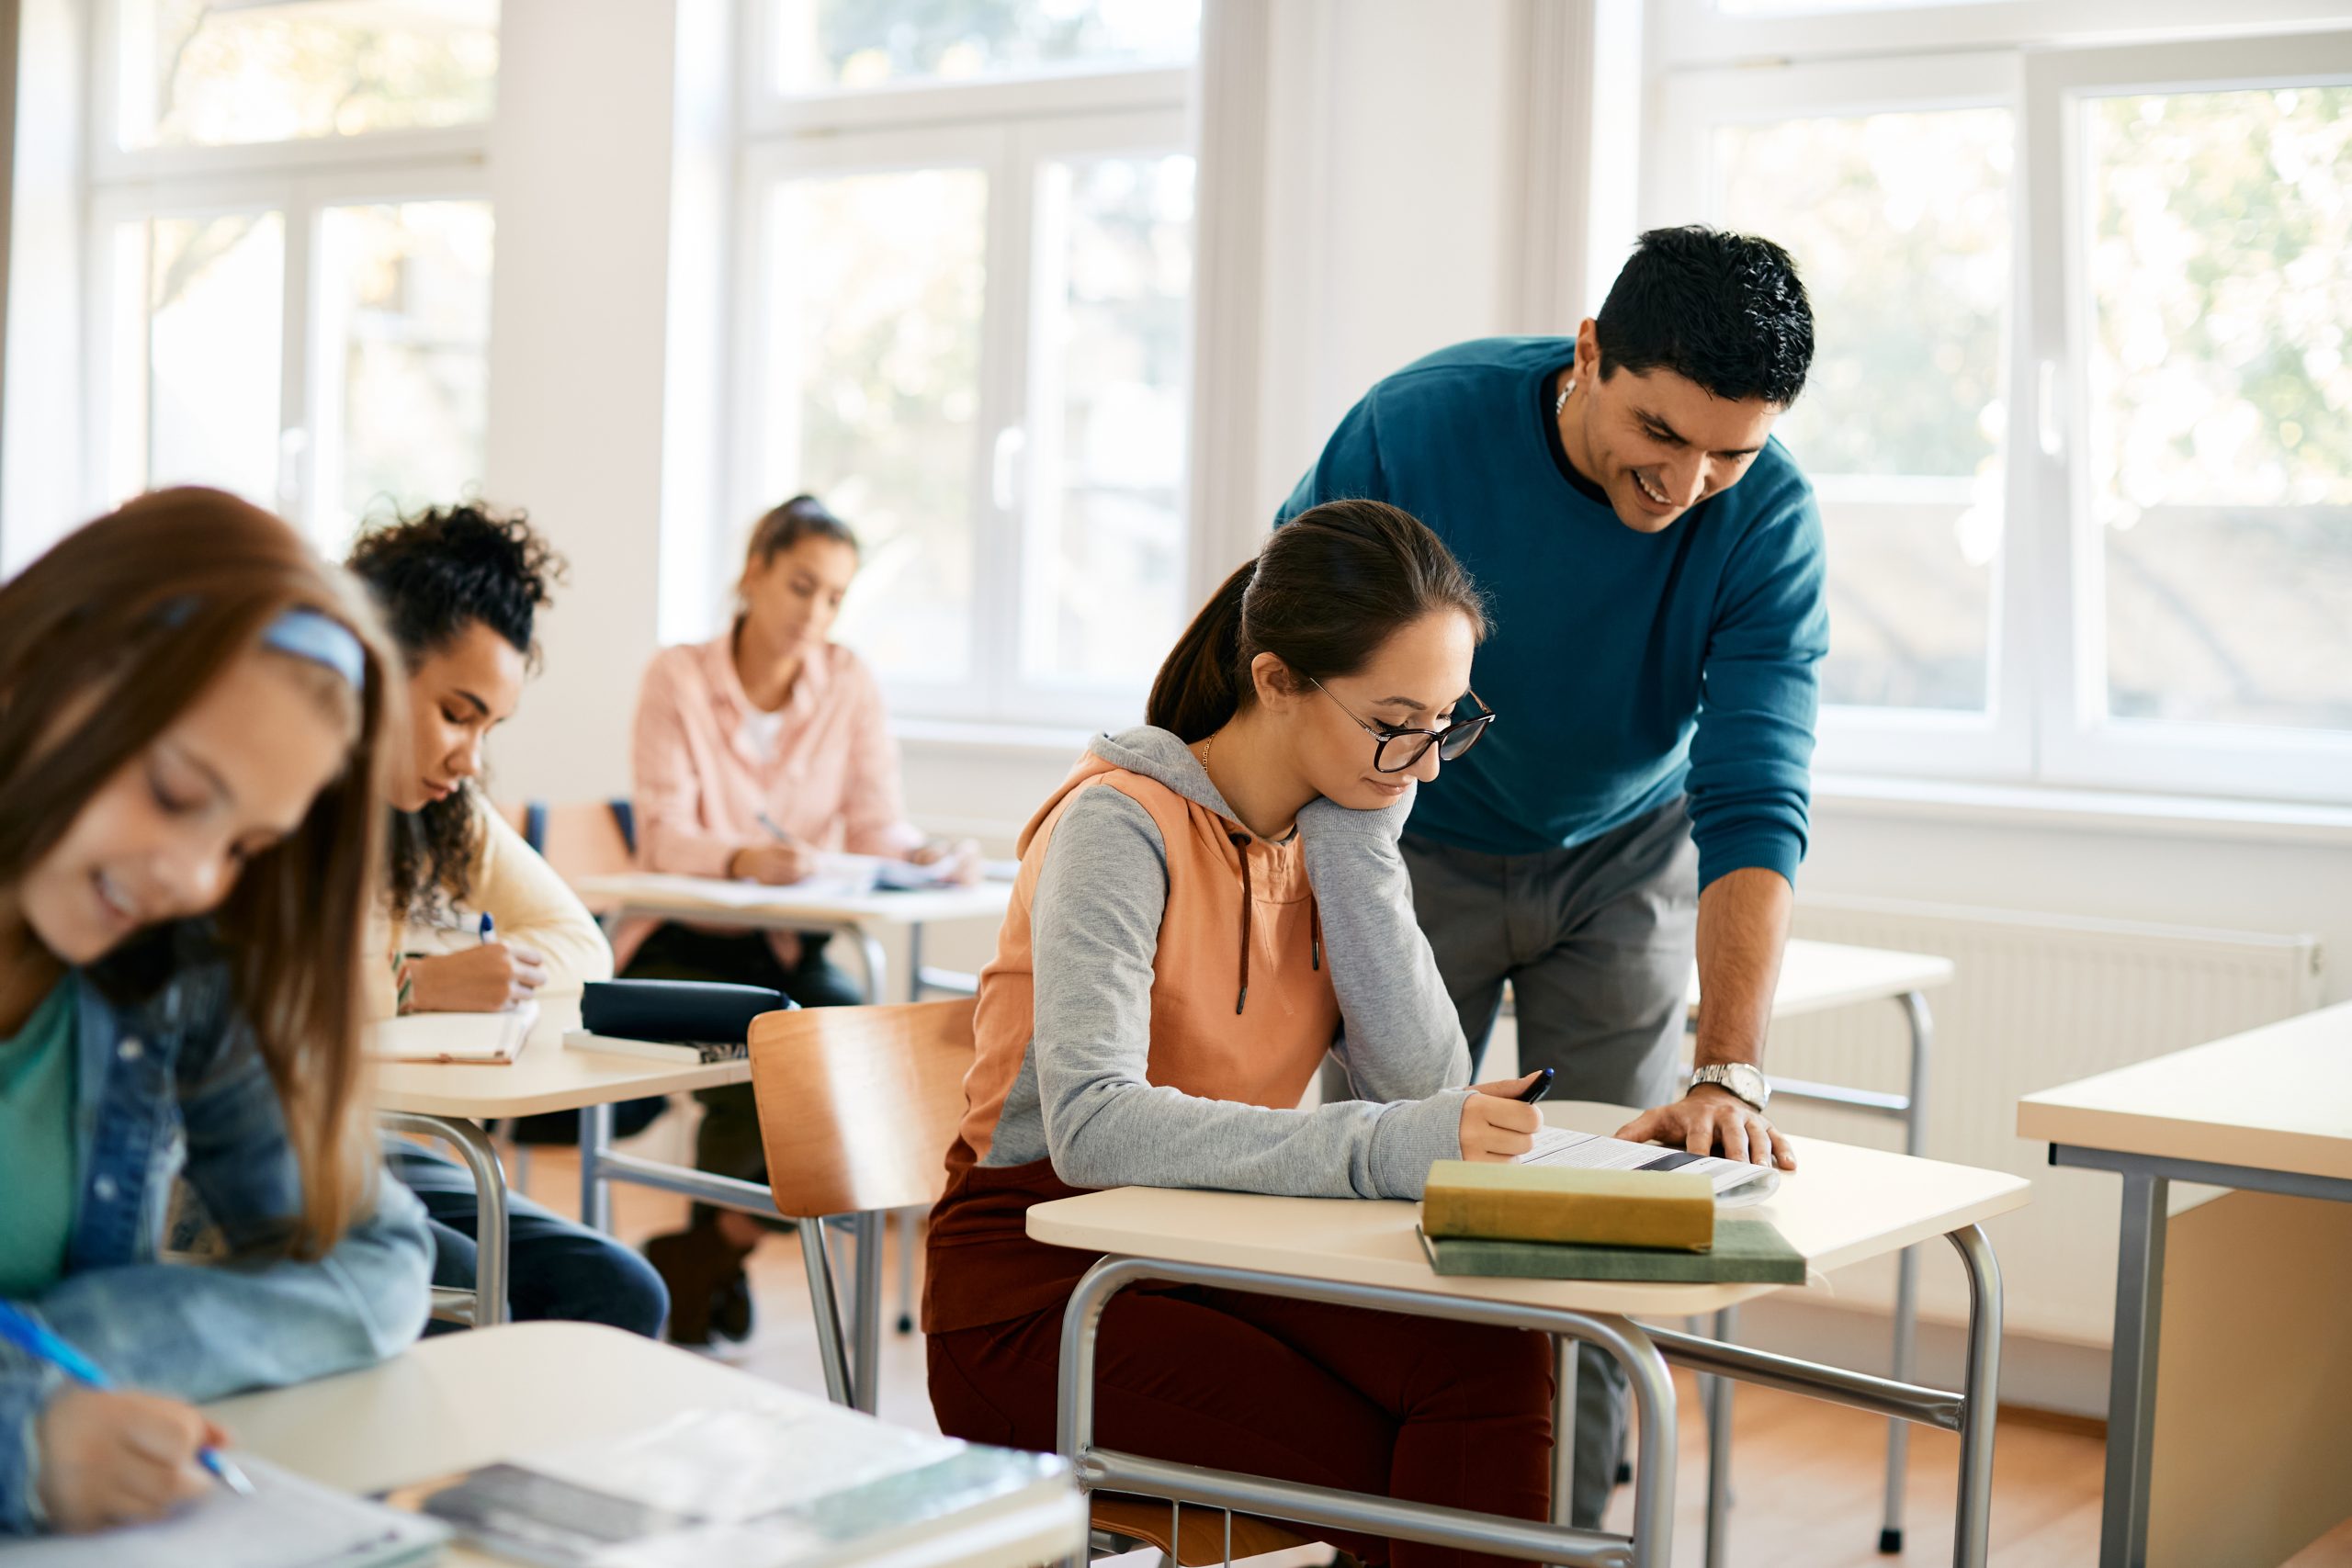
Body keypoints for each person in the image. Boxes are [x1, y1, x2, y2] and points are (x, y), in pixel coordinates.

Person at [1277, 225, 1826, 1525]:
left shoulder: (1770, 519)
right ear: (1590, 352)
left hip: (1623, 853)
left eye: (1728, 452)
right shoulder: (1414, 430)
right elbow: (1288, 653)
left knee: (1598, 1226)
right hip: (1409, 838)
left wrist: (1729, 1065)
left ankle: (1562, 1542)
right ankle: (1377, 1530)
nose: (1686, 480)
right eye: (1658, 430)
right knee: (1385, 1181)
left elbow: (1753, 792)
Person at [924, 500, 1553, 1568]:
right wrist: (1383, 1145)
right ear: (1276, 681)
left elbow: (1423, 1089)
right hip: (1042, 1295)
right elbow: (1091, 1128)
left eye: (1446, 722)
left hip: (1206, 1250)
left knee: (1495, 1364)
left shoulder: (1333, 831)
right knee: (1393, 1465)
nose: (1429, 763)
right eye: (1397, 722)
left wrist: (1361, 848)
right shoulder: (1118, 825)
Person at [0, 488, 434, 1535]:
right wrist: (21, 1430)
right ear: (43, 672)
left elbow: (375, 1262)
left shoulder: (179, 966)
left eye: (245, 848)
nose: (194, 878)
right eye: (175, 792)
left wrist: (77, 1345)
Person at [624, 494, 975, 1346]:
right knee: (769, 1040)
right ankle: (711, 1256)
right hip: (678, 937)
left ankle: (710, 1249)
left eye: (832, 598)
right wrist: (742, 856)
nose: (813, 615)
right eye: (800, 586)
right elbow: (662, 833)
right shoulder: (677, 675)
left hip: (789, 940)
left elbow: (871, 824)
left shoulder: (847, 680)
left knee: (856, 1052)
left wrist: (918, 852)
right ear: (753, 574)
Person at [345, 503, 668, 1341]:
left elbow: (578, 944)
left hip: (367, 1136)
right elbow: (237, 1002)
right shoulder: (274, 784)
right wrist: (413, 983)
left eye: (489, 726)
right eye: (457, 714)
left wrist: (452, 971)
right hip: (240, 1152)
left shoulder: (443, 806)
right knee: (460, 1282)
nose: (471, 758)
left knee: (622, 1293)